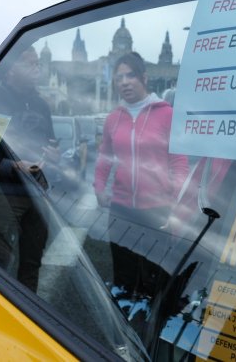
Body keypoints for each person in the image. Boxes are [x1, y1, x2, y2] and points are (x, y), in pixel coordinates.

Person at [93, 52, 188, 301]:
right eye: (119, 77)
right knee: (123, 281)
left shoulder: (166, 114)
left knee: (152, 281)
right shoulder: (113, 118)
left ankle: (147, 333)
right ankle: (121, 333)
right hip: (121, 211)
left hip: (156, 210)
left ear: (144, 78)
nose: (124, 82)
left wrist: (177, 206)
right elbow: (105, 156)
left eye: (130, 75)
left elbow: (179, 163)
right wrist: (99, 187)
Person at [0, 46, 59, 289]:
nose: (37, 69)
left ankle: (28, 315)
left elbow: (50, 143)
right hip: (4, 195)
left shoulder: (41, 104)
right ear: (11, 68)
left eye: (38, 64)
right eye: (29, 64)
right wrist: (13, 166)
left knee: (32, 261)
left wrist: (53, 155)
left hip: (37, 191)